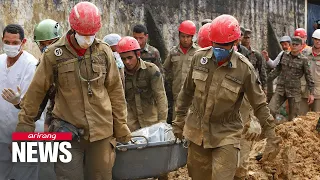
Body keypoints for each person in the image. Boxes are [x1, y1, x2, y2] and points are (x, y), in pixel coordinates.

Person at [14, 2, 131, 180]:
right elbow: (37, 91)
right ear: (73, 28)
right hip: (67, 132)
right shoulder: (54, 54)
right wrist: (25, 124)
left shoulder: (104, 52)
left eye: (91, 34)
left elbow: (115, 91)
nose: (87, 38)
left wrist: (121, 125)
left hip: (101, 132)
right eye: (84, 34)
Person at [172, 14, 281, 180]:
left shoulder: (244, 69)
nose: (219, 49)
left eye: (224, 45)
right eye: (216, 44)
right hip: (197, 132)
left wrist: (272, 136)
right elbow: (186, 93)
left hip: (226, 134)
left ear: (234, 43)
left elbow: (259, 104)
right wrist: (178, 122)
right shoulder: (198, 58)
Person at [0, 24, 39, 180]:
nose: (10, 46)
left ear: (23, 42)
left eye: (15, 43)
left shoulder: (31, 64)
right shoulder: (0, 60)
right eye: (6, 42)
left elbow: (33, 105)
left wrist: (21, 137)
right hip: (2, 132)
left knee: (25, 173)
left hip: (25, 131)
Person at [117, 36, 168, 132]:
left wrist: (162, 123)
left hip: (151, 123)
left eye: (130, 57)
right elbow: (118, 100)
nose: (127, 62)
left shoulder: (151, 70)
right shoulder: (119, 74)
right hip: (130, 126)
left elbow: (160, 96)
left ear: (138, 54)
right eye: (123, 59)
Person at [267, 36, 315, 121]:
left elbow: (309, 77)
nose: (294, 46)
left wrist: (311, 93)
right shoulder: (284, 55)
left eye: (297, 44)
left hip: (294, 91)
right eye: (293, 44)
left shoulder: (304, 60)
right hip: (281, 89)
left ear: (301, 46)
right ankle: (270, 130)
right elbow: (277, 70)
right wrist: (265, 81)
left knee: (293, 118)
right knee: (270, 109)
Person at [163, 20, 199, 124]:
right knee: (177, 124)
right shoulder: (173, 52)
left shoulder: (198, 52)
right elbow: (166, 70)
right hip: (177, 96)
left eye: (188, 37)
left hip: (194, 97)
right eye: (183, 36)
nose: (185, 40)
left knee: (192, 126)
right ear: (179, 36)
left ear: (192, 37)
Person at [300, 29, 320, 115]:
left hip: (318, 93)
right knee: (301, 118)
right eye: (316, 39)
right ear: (312, 39)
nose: (318, 42)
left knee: (316, 118)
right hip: (304, 90)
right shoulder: (304, 53)